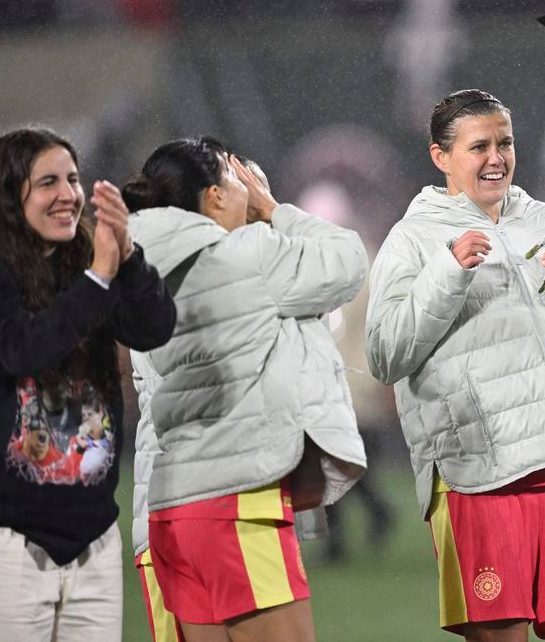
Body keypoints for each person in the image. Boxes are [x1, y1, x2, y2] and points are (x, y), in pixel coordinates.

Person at [365, 89, 545, 642]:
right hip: (479, 474)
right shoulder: (413, 238)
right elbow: (385, 355)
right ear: (440, 157)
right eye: (478, 146)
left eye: (505, 143)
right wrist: (446, 273)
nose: (496, 158)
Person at [0, 128, 176, 642]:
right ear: (8, 193)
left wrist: (128, 259)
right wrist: (98, 278)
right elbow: (22, 349)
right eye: (47, 182)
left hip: (90, 536)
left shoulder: (86, 261)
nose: (68, 194)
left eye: (73, 179)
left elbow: (152, 328)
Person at [123, 137, 369, 642]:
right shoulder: (246, 255)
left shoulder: (142, 270)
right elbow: (346, 261)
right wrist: (274, 209)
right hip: (236, 501)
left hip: (163, 512)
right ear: (213, 195)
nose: (247, 191)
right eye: (236, 181)